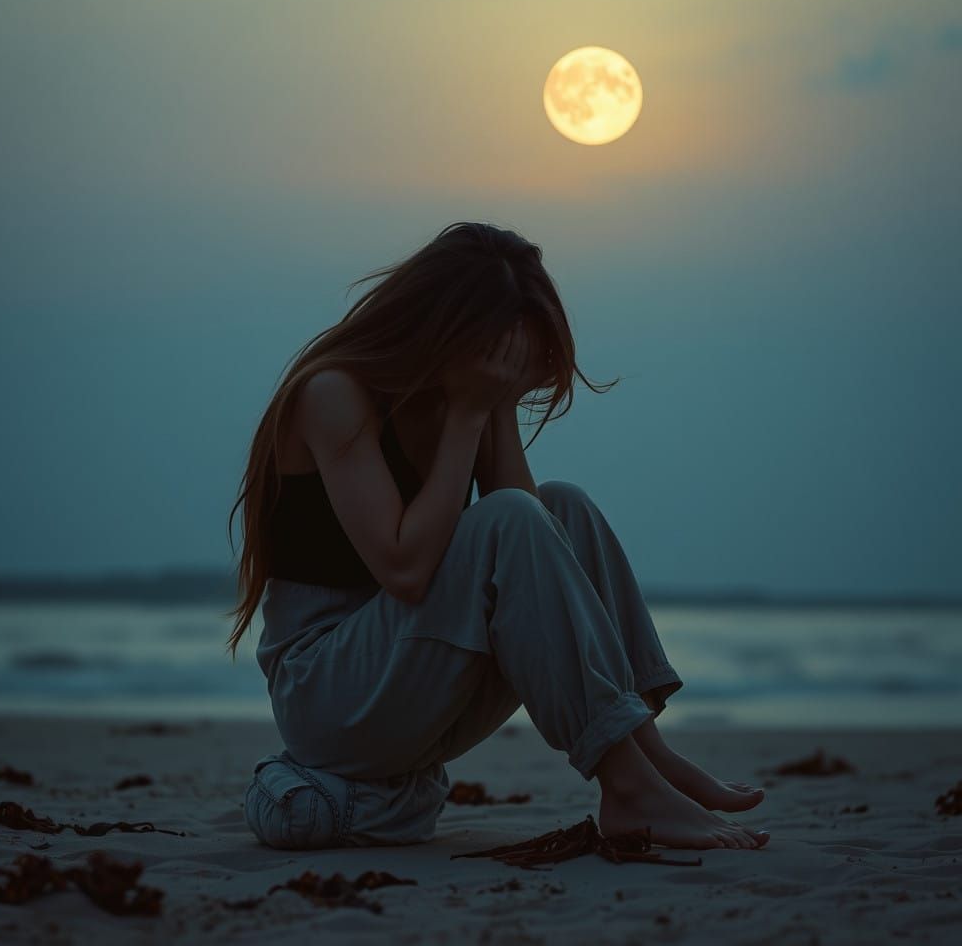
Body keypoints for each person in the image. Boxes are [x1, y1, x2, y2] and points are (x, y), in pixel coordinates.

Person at [229, 221, 769, 852]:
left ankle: (646, 753)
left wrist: (497, 410)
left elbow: (529, 525)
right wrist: (467, 412)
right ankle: (628, 787)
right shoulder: (334, 394)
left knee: (563, 508)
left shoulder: (460, 401)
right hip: (327, 694)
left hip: (408, 683)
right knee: (515, 517)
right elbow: (404, 569)